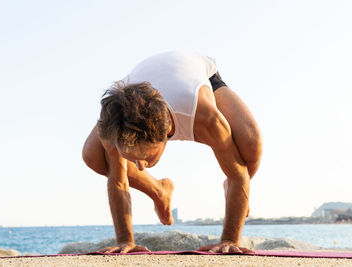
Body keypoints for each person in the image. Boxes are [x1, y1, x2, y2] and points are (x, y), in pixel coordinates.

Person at [82, 51, 262, 253]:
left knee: (250, 143)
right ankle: (159, 190)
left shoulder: (206, 117)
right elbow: (118, 180)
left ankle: (232, 192)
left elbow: (239, 173)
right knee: (93, 156)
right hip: (131, 95)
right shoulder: (113, 127)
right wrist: (125, 241)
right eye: (132, 158)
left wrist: (230, 239)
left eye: (146, 157)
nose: (141, 167)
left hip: (196, 74)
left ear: (168, 131)